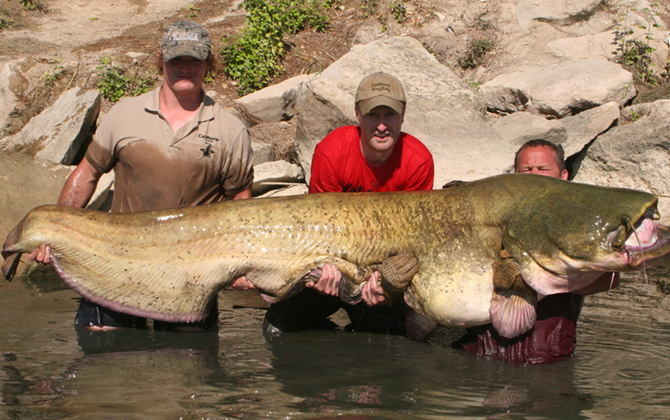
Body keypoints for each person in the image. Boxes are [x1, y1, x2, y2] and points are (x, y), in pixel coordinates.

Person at [29, 21, 254, 332]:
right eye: (177, 60)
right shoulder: (124, 114)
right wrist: (56, 231)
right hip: (114, 267)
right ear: (161, 59)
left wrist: (243, 263)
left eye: (194, 60)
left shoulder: (230, 130)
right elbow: (87, 174)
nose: (185, 68)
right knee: (99, 357)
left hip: (190, 279)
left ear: (208, 62)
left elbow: (241, 204)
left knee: (188, 373)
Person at [259, 71, 435, 336]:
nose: (382, 125)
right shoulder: (332, 153)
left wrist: (386, 286)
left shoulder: (417, 161)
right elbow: (318, 231)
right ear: (357, 114)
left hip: (382, 273)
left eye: (390, 115)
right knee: (277, 329)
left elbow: (413, 242)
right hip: (335, 265)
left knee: (396, 341)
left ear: (403, 114)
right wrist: (323, 273)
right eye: (373, 115)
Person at [451, 139, 620, 363]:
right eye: (526, 169)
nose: (534, 175)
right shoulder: (488, 218)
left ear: (564, 176)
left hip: (547, 359)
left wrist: (544, 278)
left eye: (543, 169)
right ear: (514, 176)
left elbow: (612, 277)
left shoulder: (581, 223)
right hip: (479, 352)